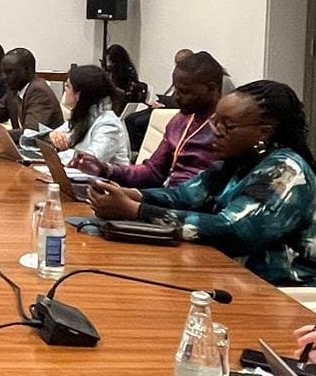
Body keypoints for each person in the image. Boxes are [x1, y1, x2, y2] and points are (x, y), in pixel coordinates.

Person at [89, 80, 316, 286]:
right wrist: (130, 194)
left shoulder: (285, 170)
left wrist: (136, 211)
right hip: (231, 276)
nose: (215, 132)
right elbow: (183, 196)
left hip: (284, 294)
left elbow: (235, 231)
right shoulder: (236, 162)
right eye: (215, 121)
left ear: (263, 133)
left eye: (228, 126)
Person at [73, 51, 223, 187]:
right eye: (176, 89)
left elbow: (203, 195)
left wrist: (137, 202)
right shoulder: (179, 122)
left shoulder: (225, 130)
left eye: (184, 91)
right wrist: (106, 169)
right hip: (161, 200)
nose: (176, 97)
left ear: (211, 88)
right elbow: (153, 171)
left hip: (188, 205)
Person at [48, 65, 130, 165]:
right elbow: (59, 133)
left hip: (102, 175)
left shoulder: (109, 125)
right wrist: (54, 136)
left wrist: (55, 155)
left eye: (68, 86)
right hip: (78, 174)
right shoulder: (84, 115)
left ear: (79, 95)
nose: (65, 90)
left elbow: (89, 160)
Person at [0, 47, 64, 137]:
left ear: (28, 70)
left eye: (9, 72)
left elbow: (30, 133)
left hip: (43, 145)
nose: (4, 77)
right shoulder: (13, 90)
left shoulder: (39, 91)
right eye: (3, 72)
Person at [123, 48, 194, 147]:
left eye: (180, 63)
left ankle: (142, 147)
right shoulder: (178, 75)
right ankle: (136, 150)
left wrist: (164, 105)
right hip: (165, 106)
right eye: (176, 63)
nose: (177, 66)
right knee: (130, 118)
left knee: (137, 122)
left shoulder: (193, 78)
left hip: (173, 110)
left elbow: (185, 102)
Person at [104, 44, 146, 111]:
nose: (108, 64)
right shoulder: (113, 70)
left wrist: (112, 88)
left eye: (110, 61)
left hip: (125, 103)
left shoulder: (128, 72)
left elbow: (128, 94)